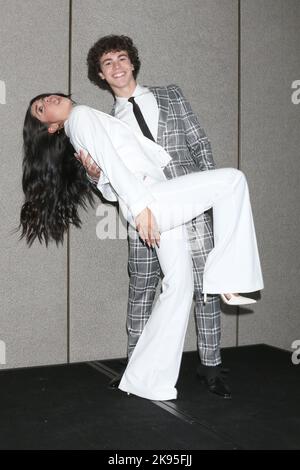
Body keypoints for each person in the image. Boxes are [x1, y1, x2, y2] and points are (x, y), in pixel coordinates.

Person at [20, 93, 264, 401]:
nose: (48, 100)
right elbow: (115, 164)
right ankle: (228, 279)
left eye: (46, 98)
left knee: (179, 285)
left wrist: (99, 178)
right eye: (41, 109)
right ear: (51, 127)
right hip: (151, 200)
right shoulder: (80, 116)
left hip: (149, 200)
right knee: (233, 181)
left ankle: (146, 379)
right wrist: (141, 208)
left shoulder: (82, 124)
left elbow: (112, 176)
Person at [84, 35, 231, 398]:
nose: (117, 67)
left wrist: (211, 193)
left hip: (190, 201)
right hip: (145, 212)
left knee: (204, 286)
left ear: (132, 62)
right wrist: (90, 173)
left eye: (121, 58)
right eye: (108, 63)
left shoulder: (172, 95)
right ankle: (136, 365)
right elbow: (107, 178)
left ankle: (210, 366)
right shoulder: (104, 123)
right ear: (101, 76)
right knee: (142, 288)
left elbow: (199, 143)